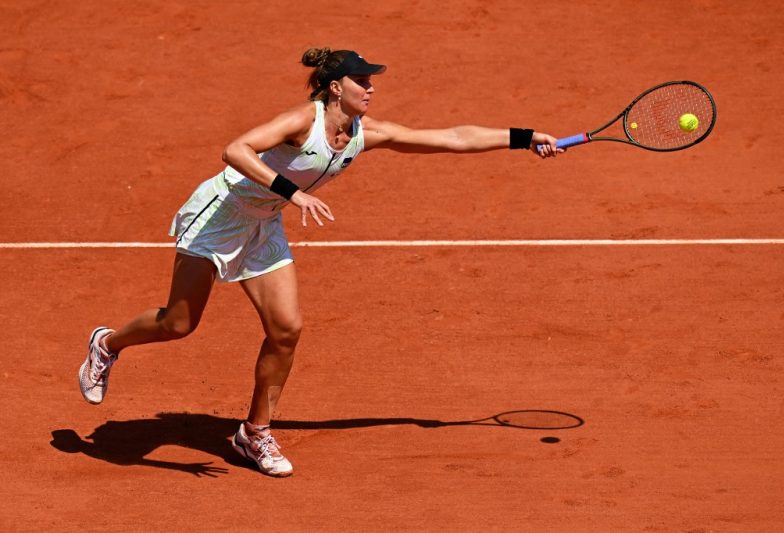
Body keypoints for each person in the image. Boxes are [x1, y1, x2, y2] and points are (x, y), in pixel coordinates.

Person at [78, 47, 563, 477]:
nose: (371, 89)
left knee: (286, 329)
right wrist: (293, 194)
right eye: (363, 82)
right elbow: (235, 150)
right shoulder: (299, 122)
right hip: (220, 216)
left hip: (263, 225)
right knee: (179, 323)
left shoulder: (363, 132)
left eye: (372, 82)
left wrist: (524, 137)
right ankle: (108, 343)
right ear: (336, 88)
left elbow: (451, 137)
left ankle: (254, 432)